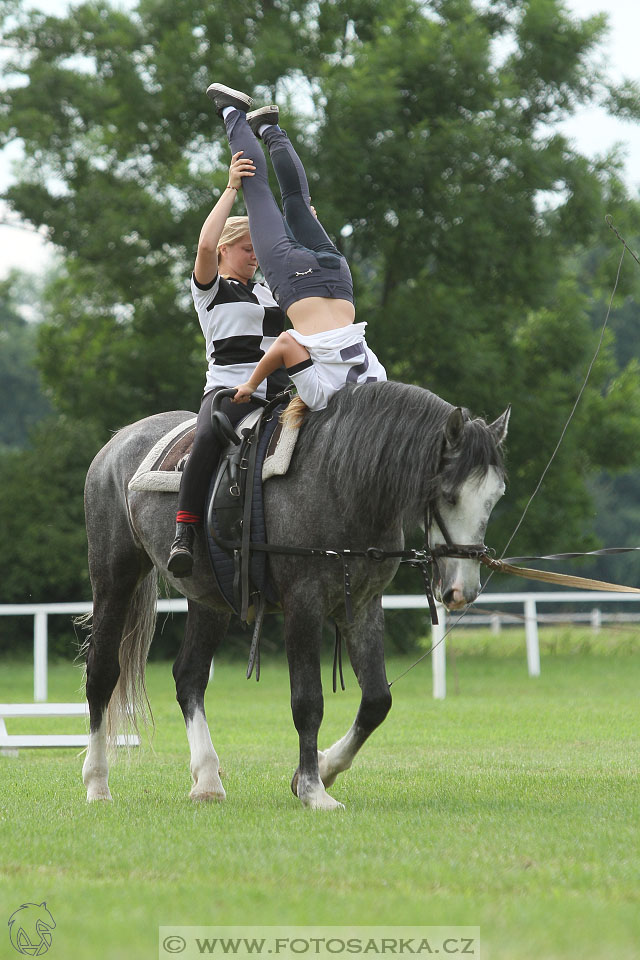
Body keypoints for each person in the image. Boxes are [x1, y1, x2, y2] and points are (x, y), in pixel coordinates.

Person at [205, 83, 387, 412]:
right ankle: (231, 110)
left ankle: (269, 127)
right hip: (298, 281)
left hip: (339, 279)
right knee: (256, 188)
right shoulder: (323, 400)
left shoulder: (379, 383)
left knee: (297, 203)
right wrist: (250, 384)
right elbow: (289, 342)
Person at [167, 154, 289, 578]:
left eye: (257, 249)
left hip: (282, 396)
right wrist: (232, 188)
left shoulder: (270, 293)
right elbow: (203, 245)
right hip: (229, 393)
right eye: (247, 248)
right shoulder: (211, 290)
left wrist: (301, 220)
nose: (255, 256)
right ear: (225, 250)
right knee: (205, 439)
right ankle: (184, 533)